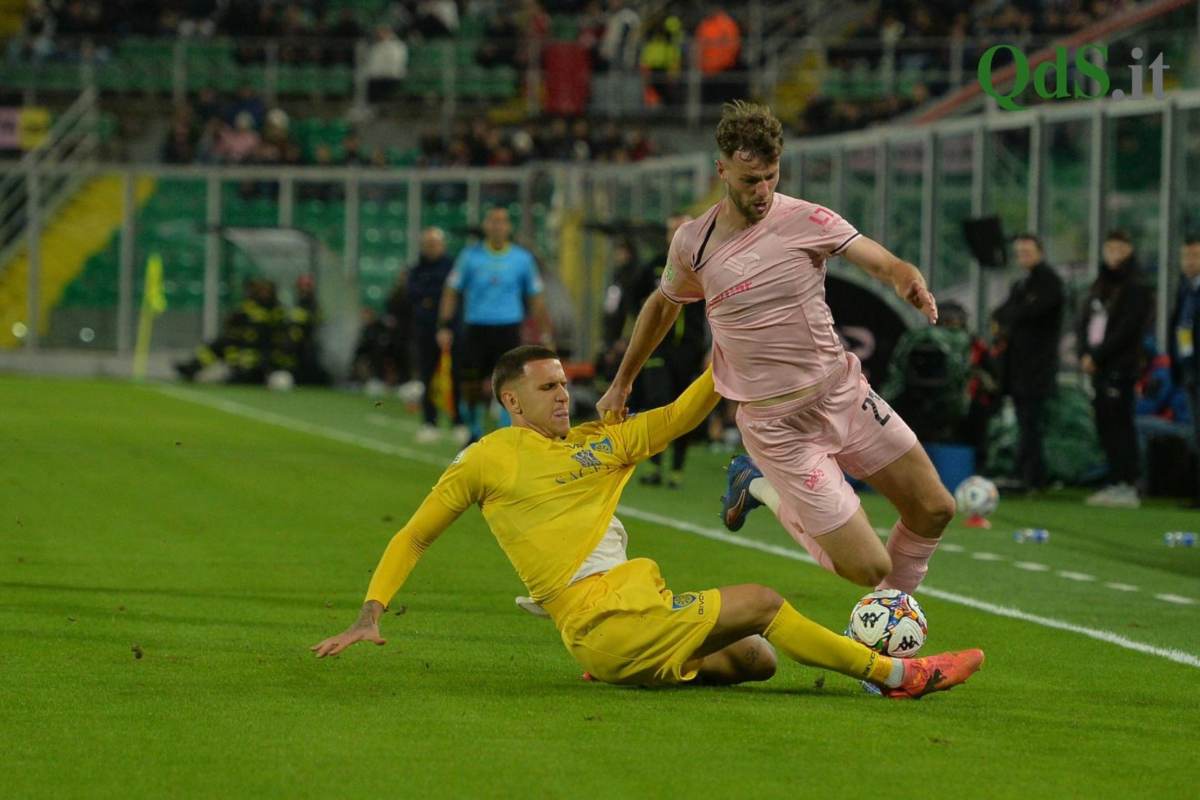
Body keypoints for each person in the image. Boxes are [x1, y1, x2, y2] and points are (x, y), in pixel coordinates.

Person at [311, 345, 984, 698]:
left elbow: (676, 418)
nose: (562, 394)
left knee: (758, 661)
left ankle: (622, 669)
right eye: (547, 388)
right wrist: (372, 611)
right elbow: (416, 533)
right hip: (599, 618)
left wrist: (731, 361)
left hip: (634, 608)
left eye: (564, 383)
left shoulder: (597, 445)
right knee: (765, 602)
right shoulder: (487, 459)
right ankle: (896, 676)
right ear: (511, 400)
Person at [597, 100, 953, 595]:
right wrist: (622, 383)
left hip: (843, 395)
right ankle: (757, 482)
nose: (763, 190)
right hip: (777, 426)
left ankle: (891, 629)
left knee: (936, 508)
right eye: (750, 181)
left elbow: (879, 260)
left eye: (770, 176)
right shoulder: (693, 244)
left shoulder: (807, 219)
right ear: (722, 170)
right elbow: (663, 306)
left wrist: (904, 277)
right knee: (868, 567)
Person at [436, 207, 554, 441]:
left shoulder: (522, 259)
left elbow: (536, 297)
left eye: (502, 222)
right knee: (471, 382)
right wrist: (444, 324)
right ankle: (474, 429)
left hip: (508, 328)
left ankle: (503, 431)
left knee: (508, 381)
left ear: (508, 227)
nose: (497, 226)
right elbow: (451, 291)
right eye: (493, 221)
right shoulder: (470, 257)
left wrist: (546, 332)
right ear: (486, 226)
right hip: (476, 328)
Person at [1077, 230, 1153, 508]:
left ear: (1129, 250)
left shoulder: (1136, 287)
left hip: (1120, 365)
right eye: (1109, 248)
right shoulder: (1100, 285)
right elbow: (1084, 321)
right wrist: (1085, 353)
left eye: (1120, 248)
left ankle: (1128, 483)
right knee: (1105, 424)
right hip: (1098, 365)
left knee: (1121, 424)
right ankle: (1114, 479)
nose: (1114, 254)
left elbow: (1127, 329)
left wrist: (1097, 355)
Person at [994, 234, 1064, 492]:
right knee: (1026, 421)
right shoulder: (1022, 284)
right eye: (1019, 252)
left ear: (1040, 252)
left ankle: (1028, 476)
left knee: (1031, 422)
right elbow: (1002, 312)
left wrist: (1012, 314)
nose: (1022, 256)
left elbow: (1025, 312)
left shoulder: (1049, 283)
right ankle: (1033, 474)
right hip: (1019, 366)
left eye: (1027, 251)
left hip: (1037, 366)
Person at [407, 227, 464, 445]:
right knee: (427, 376)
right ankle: (429, 422)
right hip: (424, 330)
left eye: (435, 244)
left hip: (452, 330)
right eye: (428, 244)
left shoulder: (452, 268)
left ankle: (459, 421)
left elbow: (451, 295)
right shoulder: (416, 269)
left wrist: (444, 319)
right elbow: (412, 294)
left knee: (456, 375)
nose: (431, 248)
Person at [1166, 236, 1200, 504]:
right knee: (1195, 430)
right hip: (1189, 370)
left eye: (1195, 257)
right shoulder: (1186, 288)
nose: (1190, 262)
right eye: (1186, 257)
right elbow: (1179, 327)